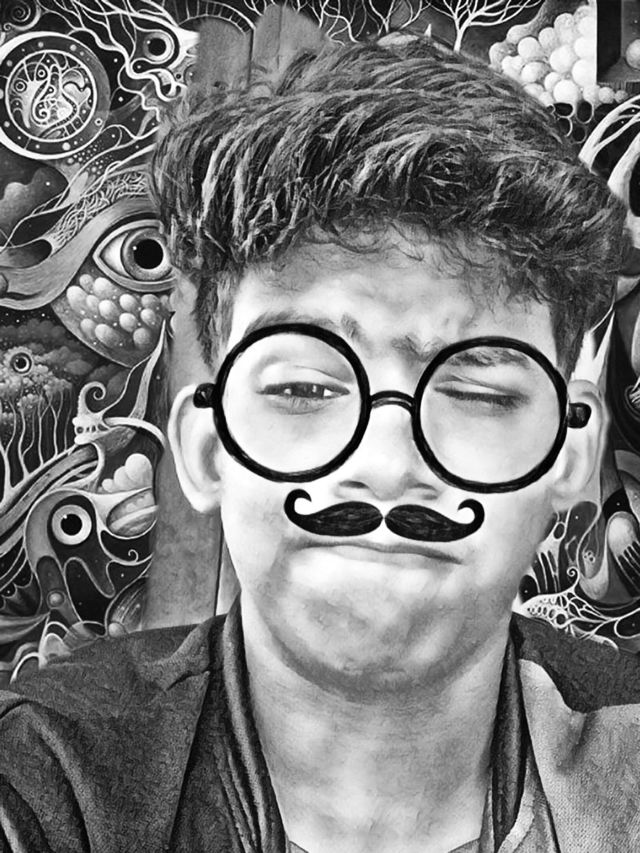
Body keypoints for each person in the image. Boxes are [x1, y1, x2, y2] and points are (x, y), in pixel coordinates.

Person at [0, 34, 638, 853]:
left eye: (477, 393)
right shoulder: (51, 778)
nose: (387, 464)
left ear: (568, 454)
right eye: (304, 388)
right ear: (206, 447)